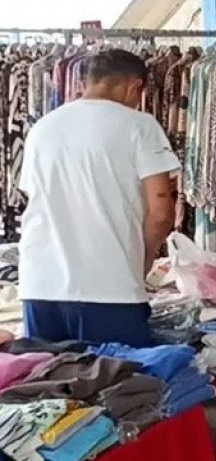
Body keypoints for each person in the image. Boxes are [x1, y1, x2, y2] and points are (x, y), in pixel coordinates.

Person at [19, 49, 179, 346]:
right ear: (135, 86)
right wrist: (142, 258)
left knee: (47, 385)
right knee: (120, 386)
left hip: (39, 283)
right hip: (110, 286)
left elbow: (37, 198)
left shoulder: (42, 128)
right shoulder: (140, 126)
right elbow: (161, 210)